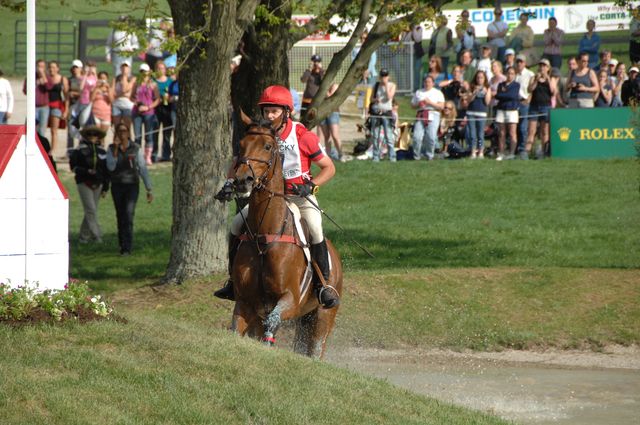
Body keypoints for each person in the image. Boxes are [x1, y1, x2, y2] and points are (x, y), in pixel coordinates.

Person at [213, 85, 339, 309]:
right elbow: (241, 164)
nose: (270, 116)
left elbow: (329, 168)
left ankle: (323, 286)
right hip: (268, 199)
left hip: (298, 197)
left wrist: (311, 186)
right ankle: (233, 282)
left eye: (274, 111)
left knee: (315, 226)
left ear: (286, 112)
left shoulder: (302, 135)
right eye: (267, 111)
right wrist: (229, 183)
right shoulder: (259, 135)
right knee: (235, 224)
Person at [106, 122, 153, 255]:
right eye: (119, 131)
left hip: (132, 185)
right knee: (120, 215)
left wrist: (148, 189)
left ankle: (127, 247)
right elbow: (110, 167)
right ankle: (122, 244)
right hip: (117, 185)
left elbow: (142, 169)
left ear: (128, 133)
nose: (122, 134)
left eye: (124, 131)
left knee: (128, 214)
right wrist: (115, 150)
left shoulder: (135, 148)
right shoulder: (111, 149)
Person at [69, 126, 110, 243]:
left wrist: (106, 187)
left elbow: (106, 170)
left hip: (98, 183)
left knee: (91, 210)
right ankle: (97, 235)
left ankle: (84, 237)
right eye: (90, 135)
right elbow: (73, 167)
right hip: (84, 182)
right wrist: (86, 171)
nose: (92, 137)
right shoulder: (79, 150)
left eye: (95, 135)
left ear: (98, 137)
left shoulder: (102, 151)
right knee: (91, 209)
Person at [525, 58, 556, 159]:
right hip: (534, 106)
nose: (542, 67)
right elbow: (529, 90)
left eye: (544, 66)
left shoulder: (551, 78)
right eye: (541, 65)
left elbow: (553, 92)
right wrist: (536, 81)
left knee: (544, 131)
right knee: (531, 130)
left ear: (548, 68)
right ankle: (527, 152)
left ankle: (544, 151)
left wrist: (547, 79)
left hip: (546, 106)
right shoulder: (534, 77)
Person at [131, 63, 160, 164]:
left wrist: (148, 107)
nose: (143, 74)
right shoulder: (136, 83)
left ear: (149, 72)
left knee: (149, 135)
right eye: (141, 72)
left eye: (145, 72)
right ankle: (138, 157)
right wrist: (136, 103)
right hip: (137, 112)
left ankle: (148, 156)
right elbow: (131, 96)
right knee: (137, 136)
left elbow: (157, 100)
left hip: (149, 112)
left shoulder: (153, 84)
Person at [411, 75, 445, 161]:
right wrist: (419, 104)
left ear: (433, 83)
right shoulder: (419, 92)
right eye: (426, 82)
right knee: (416, 136)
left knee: (431, 136)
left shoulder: (438, 93)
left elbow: (441, 106)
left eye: (429, 82)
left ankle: (430, 155)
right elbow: (412, 105)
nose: (427, 83)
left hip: (433, 113)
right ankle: (416, 156)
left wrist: (430, 102)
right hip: (421, 114)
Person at [370, 69, 396, 162]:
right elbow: (371, 99)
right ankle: (375, 156)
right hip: (376, 112)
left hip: (386, 112)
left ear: (388, 76)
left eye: (385, 76)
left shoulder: (392, 85)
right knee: (375, 135)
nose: (383, 78)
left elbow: (389, 97)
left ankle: (392, 157)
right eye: (382, 76)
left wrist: (385, 86)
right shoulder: (376, 85)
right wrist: (375, 99)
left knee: (388, 136)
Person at [494, 66, 520, 161]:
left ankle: (512, 153)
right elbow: (497, 95)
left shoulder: (516, 85)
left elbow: (512, 96)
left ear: (515, 75)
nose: (510, 75)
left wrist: (503, 95)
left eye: (512, 73)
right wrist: (504, 95)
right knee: (501, 133)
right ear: (506, 74)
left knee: (512, 133)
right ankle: (501, 153)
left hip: (512, 110)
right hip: (501, 110)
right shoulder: (501, 85)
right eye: (508, 73)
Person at [464, 71, 492, 159]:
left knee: (480, 134)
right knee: (472, 134)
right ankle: (473, 151)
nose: (479, 79)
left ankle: (480, 151)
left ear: (484, 79)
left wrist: (486, 92)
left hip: (482, 113)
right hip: (471, 113)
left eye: (481, 78)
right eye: (478, 77)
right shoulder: (471, 87)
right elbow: (468, 100)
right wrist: (474, 93)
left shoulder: (488, 88)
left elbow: (487, 102)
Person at [45, 61, 69, 156]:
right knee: (41, 128)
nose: (52, 69)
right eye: (50, 67)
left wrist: (66, 110)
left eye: (54, 67)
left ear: (58, 68)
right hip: (45, 105)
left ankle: (53, 150)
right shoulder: (46, 78)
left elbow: (66, 96)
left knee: (53, 129)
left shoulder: (62, 79)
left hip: (57, 105)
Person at [514, 54, 535, 159]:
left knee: (523, 127)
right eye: (517, 61)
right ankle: (515, 148)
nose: (519, 63)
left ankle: (523, 150)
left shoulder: (530, 74)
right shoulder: (514, 74)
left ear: (525, 63)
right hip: (514, 102)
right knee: (514, 127)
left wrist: (529, 99)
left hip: (524, 102)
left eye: (521, 62)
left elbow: (532, 88)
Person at [153, 60, 173, 161]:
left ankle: (166, 155)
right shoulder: (153, 81)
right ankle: (154, 154)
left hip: (167, 108)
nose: (160, 70)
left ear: (165, 70)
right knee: (155, 132)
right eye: (158, 68)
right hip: (156, 109)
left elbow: (173, 93)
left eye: (162, 68)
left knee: (166, 133)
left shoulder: (169, 81)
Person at [319, 82, 343, 161]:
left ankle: (340, 154)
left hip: (333, 112)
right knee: (326, 136)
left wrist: (324, 90)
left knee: (335, 135)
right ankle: (328, 155)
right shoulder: (321, 85)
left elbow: (331, 97)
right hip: (322, 112)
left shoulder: (335, 86)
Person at [66, 60, 84, 155]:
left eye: (76, 67)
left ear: (81, 68)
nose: (75, 69)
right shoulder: (69, 80)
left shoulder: (84, 79)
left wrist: (76, 93)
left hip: (82, 105)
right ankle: (70, 148)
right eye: (73, 67)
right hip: (72, 105)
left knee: (81, 126)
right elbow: (66, 94)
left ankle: (81, 147)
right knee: (71, 126)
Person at [111, 62, 136, 128]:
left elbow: (125, 89)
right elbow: (113, 92)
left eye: (126, 67)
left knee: (127, 126)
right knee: (117, 126)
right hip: (117, 104)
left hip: (127, 105)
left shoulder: (132, 79)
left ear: (129, 68)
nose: (124, 69)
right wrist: (123, 95)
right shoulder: (116, 79)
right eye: (123, 67)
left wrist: (124, 77)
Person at [90, 71, 113, 136]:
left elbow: (111, 101)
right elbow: (91, 99)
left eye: (104, 78)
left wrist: (108, 89)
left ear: (107, 79)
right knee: (95, 135)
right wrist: (96, 88)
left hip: (106, 114)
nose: (102, 80)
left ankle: (102, 146)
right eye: (101, 78)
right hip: (95, 113)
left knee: (102, 135)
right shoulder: (95, 88)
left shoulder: (109, 89)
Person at [78, 62, 98, 129]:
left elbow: (97, 85)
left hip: (93, 102)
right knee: (83, 122)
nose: (90, 69)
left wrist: (95, 73)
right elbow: (81, 87)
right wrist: (86, 74)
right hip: (84, 102)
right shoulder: (82, 77)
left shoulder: (94, 78)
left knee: (93, 123)